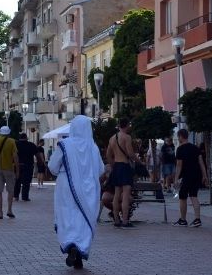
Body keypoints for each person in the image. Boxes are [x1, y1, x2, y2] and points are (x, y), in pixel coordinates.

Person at [49, 115, 104, 270]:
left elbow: (53, 167)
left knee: (68, 216)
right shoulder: (93, 147)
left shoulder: (64, 145)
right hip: (89, 189)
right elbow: (101, 170)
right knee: (83, 218)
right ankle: (79, 249)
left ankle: (70, 244)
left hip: (66, 186)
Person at [172, 129, 209, 227]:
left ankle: (183, 220)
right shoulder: (195, 148)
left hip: (187, 176)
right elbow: (201, 162)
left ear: (180, 136)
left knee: (182, 196)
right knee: (194, 196)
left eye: (178, 137)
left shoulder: (180, 149)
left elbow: (179, 165)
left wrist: (176, 179)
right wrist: (205, 176)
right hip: (197, 175)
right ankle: (197, 219)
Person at [107, 118, 138, 229]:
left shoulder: (112, 138)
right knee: (125, 194)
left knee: (116, 194)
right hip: (124, 166)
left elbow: (108, 155)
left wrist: (113, 165)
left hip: (116, 166)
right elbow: (130, 153)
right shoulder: (127, 137)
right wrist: (138, 161)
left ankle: (116, 220)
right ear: (127, 125)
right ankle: (125, 221)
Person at [0, 126, 19, 219]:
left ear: (0, 133)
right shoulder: (11, 141)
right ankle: (9, 210)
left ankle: (0, 212)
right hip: (9, 169)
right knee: (10, 191)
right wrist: (17, 170)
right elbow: (15, 157)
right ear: (8, 133)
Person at [14, 133, 38, 201]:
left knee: (17, 181)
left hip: (17, 165)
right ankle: (25, 197)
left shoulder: (15, 144)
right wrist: (39, 162)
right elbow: (37, 154)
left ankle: (16, 196)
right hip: (28, 166)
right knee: (26, 182)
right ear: (26, 138)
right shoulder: (31, 145)